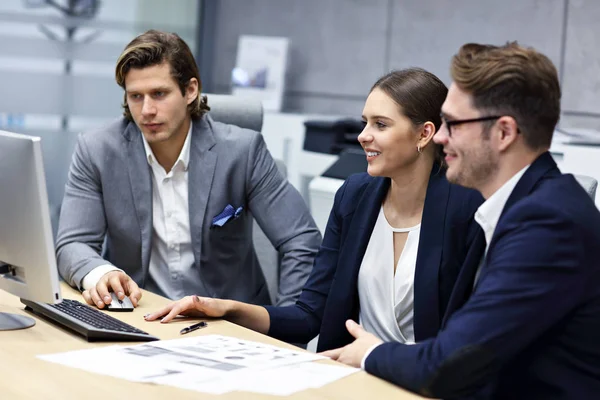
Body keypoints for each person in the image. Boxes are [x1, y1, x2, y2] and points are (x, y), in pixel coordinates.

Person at [318, 42, 600, 399]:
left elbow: (450, 364)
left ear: (503, 132)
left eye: (453, 124)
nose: (439, 137)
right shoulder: (527, 205)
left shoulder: (547, 223)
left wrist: (370, 352)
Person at [146, 68, 484, 354]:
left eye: (380, 124)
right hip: (352, 378)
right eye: (364, 123)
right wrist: (225, 309)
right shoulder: (355, 197)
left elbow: (467, 343)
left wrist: (379, 357)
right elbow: (310, 315)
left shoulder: (467, 209)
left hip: (421, 383)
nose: (363, 136)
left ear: (425, 134)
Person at [55, 30, 321, 309]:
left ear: (190, 90)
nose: (146, 110)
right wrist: (102, 273)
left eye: (159, 94)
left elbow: (301, 240)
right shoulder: (97, 151)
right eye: (136, 96)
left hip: (229, 326)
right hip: (140, 316)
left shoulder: (243, 152)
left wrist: (288, 324)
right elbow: (73, 243)